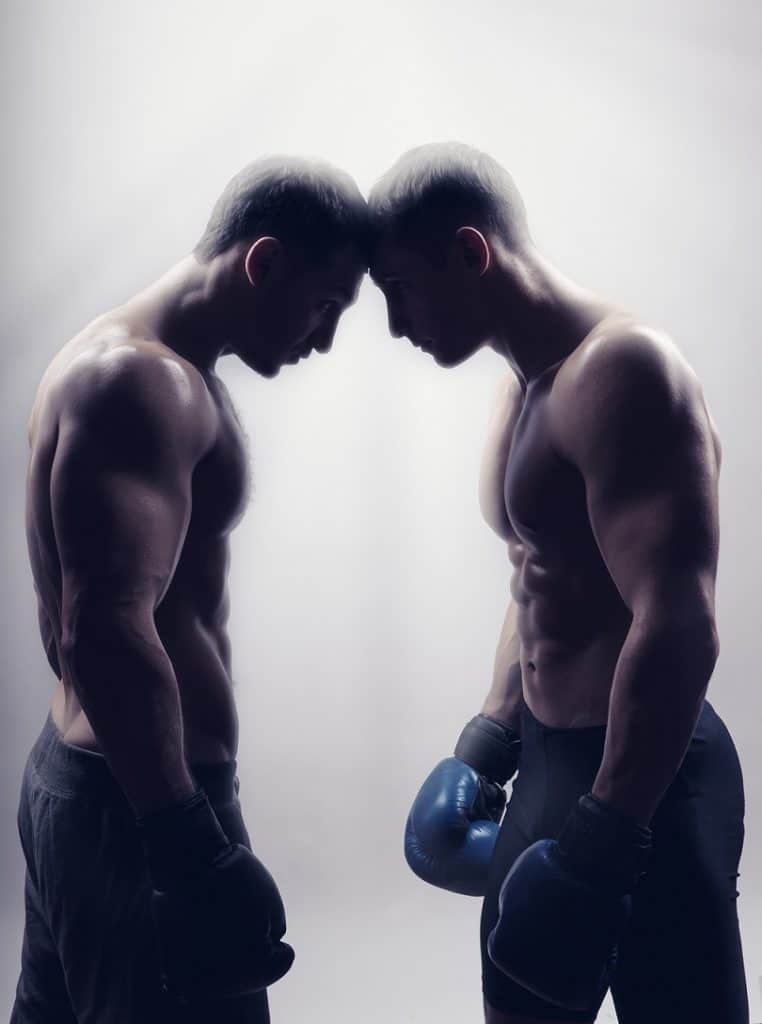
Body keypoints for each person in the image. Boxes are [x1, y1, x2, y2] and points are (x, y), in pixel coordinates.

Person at [368, 142, 748, 1024]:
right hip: (548, 758)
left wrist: (608, 834)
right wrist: (490, 740)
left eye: (401, 290)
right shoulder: (524, 384)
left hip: (649, 782)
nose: (395, 324)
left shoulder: (625, 373)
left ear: (472, 252)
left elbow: (678, 621)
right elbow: (541, 573)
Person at [12, 155, 367, 1024]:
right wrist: (187, 843)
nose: (322, 340)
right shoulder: (142, 383)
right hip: (138, 811)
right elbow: (100, 627)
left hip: (104, 795)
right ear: (265, 261)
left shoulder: (145, 367)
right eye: (326, 306)